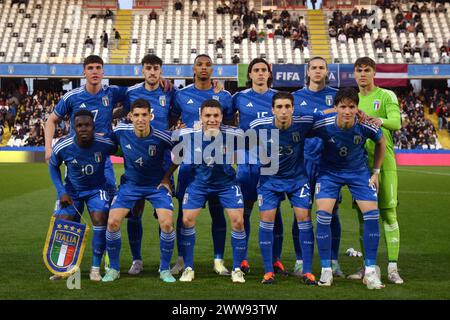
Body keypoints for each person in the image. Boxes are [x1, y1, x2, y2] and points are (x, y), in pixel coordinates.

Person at [161, 99, 247, 283]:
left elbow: (251, 151)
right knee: (186, 219)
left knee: (238, 221)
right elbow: (164, 140)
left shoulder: (235, 134)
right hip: (199, 183)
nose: (212, 119)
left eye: (216, 115)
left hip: (226, 184)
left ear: (222, 117)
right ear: (200, 116)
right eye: (207, 115)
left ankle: (237, 269)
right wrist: (165, 176)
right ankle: (189, 267)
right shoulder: (186, 134)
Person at [311, 87, 386, 289]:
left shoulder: (364, 125)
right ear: (335, 107)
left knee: (372, 214)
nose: (347, 111)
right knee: (323, 215)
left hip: (358, 172)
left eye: (351, 107)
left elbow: (381, 141)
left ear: (357, 108)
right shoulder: (323, 124)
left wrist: (376, 172)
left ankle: (370, 271)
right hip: (329, 173)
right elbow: (306, 125)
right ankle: (326, 270)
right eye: (342, 107)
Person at [170, 54, 234, 276]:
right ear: (193, 68)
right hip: (189, 163)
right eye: (200, 64)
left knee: (218, 211)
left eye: (208, 65)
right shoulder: (181, 95)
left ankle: (218, 260)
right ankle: (181, 259)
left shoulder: (224, 96)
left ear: (213, 69)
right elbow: (172, 120)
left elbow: (232, 125)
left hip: (217, 163)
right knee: (184, 213)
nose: (204, 68)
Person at [102, 99, 176, 283]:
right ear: (130, 116)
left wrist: (167, 177)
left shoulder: (162, 136)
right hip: (131, 185)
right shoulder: (120, 131)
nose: (140, 119)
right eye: (136, 115)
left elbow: (181, 153)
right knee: (112, 222)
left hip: (156, 187)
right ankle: (114, 268)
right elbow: (104, 145)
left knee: (166, 223)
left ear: (151, 116)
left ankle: (165, 269)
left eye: (144, 115)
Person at [249, 92, 317, 285]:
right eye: (279, 107)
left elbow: (327, 116)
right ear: (272, 109)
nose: (284, 111)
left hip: (297, 179)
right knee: (266, 220)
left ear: (293, 109)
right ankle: (269, 271)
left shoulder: (303, 123)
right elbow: (240, 138)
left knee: (304, 218)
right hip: (270, 181)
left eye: (287, 106)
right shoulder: (259, 126)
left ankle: (308, 271)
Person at [348, 57, 404, 284]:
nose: (363, 74)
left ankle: (392, 268)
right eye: (359, 70)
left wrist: (376, 120)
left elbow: (396, 123)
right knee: (363, 215)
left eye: (367, 70)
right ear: (354, 74)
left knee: (389, 213)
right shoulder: (352, 100)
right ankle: (367, 266)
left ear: (374, 73)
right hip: (360, 166)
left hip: (385, 164)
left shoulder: (386, 95)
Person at [44, 55, 128, 203]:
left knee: (110, 207)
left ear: (103, 72)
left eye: (98, 68)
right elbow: (51, 120)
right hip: (77, 157)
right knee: (71, 210)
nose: (94, 71)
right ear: (84, 72)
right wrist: (48, 149)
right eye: (90, 68)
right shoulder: (72, 97)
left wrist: (161, 81)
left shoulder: (111, 92)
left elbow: (138, 92)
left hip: (102, 158)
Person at [232, 58, 286, 276]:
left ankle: (276, 260)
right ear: (250, 75)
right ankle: (242, 259)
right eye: (256, 70)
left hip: (272, 160)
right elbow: (226, 120)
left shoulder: (279, 99)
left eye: (264, 70)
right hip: (247, 160)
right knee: (245, 210)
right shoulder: (239, 98)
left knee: (275, 212)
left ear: (269, 73)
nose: (260, 73)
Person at [123, 54, 177, 275]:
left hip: (162, 161)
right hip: (137, 160)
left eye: (156, 68)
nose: (152, 72)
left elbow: (174, 116)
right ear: (142, 71)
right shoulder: (131, 93)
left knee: (162, 215)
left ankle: (165, 263)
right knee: (135, 211)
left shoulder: (170, 91)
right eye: (148, 68)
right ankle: (137, 260)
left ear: (161, 70)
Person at [48, 110, 117, 281]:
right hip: (72, 192)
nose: (83, 129)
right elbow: (52, 166)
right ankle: (63, 267)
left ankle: (95, 268)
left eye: (87, 125)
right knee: (63, 221)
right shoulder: (63, 146)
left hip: (96, 189)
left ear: (93, 127)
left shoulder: (104, 143)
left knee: (100, 218)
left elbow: (125, 152)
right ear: (73, 127)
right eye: (79, 125)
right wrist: (61, 191)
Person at [292, 57, 343, 278]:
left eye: (321, 67)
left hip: (330, 163)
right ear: (308, 71)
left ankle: (333, 261)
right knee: (300, 213)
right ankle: (300, 260)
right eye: (314, 67)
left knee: (332, 213)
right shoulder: (296, 97)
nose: (317, 71)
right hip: (302, 162)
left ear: (327, 71)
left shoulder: (337, 97)